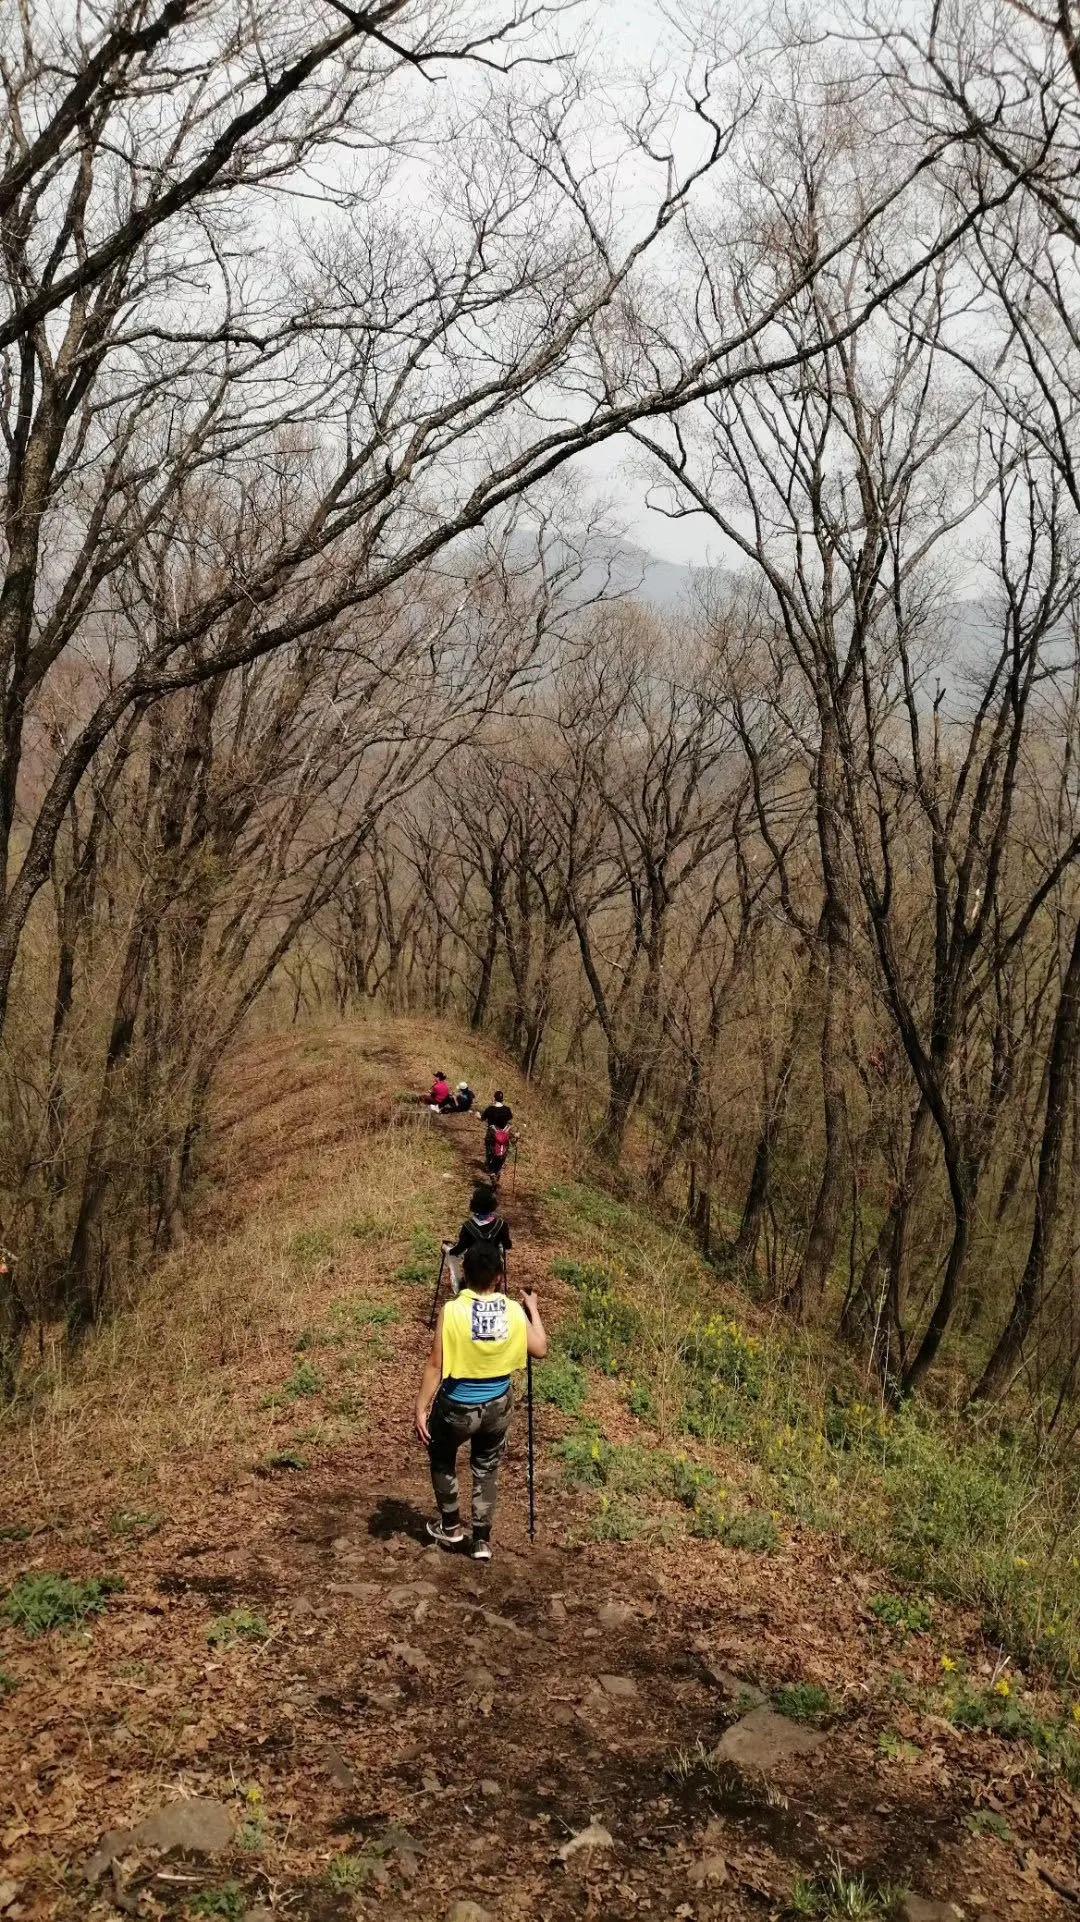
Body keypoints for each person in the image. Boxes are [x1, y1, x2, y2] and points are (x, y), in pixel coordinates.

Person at [415, 1241, 547, 1562]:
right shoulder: (513, 1311)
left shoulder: (452, 1311)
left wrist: (421, 1405)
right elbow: (540, 1348)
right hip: (497, 1405)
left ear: (464, 1274)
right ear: (499, 1277)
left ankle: (450, 1525)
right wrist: (533, 1309)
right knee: (486, 1468)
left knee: (443, 1455)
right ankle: (482, 1541)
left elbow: (436, 1364)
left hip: (457, 1405)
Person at [443, 1183, 511, 1294]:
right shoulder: (501, 1225)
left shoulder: (468, 1226)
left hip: (473, 1266)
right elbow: (508, 1245)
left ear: (473, 1205)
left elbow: (459, 1249)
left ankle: (460, 1289)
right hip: (494, 1265)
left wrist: (447, 1249)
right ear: (492, 1205)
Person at [480, 1088, 514, 1179]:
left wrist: (477, 1115)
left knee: (489, 1150)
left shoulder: (490, 1109)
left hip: (491, 1133)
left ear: (494, 1098)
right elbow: (510, 1123)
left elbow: (482, 1118)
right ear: (503, 1099)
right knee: (502, 1151)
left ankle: (490, 1168)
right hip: (502, 1135)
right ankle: (497, 1169)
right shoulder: (507, 1109)